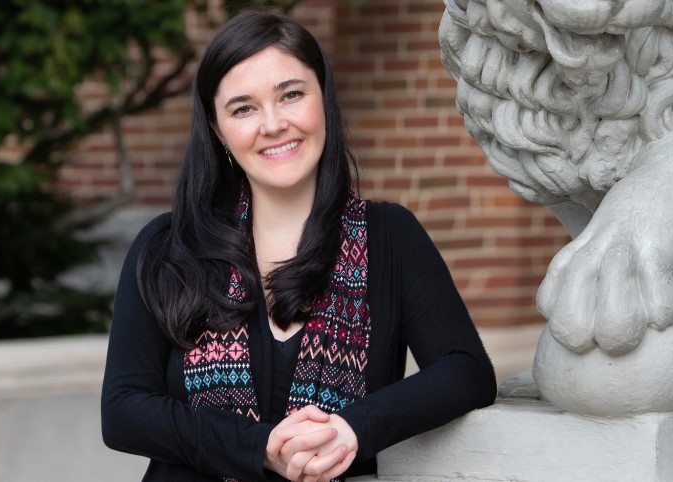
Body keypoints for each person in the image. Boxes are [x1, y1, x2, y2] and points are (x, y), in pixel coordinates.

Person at [100, 10, 497, 481]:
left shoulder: (389, 237)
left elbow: (465, 370)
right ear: (216, 128)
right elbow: (124, 411)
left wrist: (353, 429)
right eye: (243, 107)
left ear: (322, 99)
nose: (273, 124)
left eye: (291, 94)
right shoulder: (169, 246)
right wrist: (260, 448)